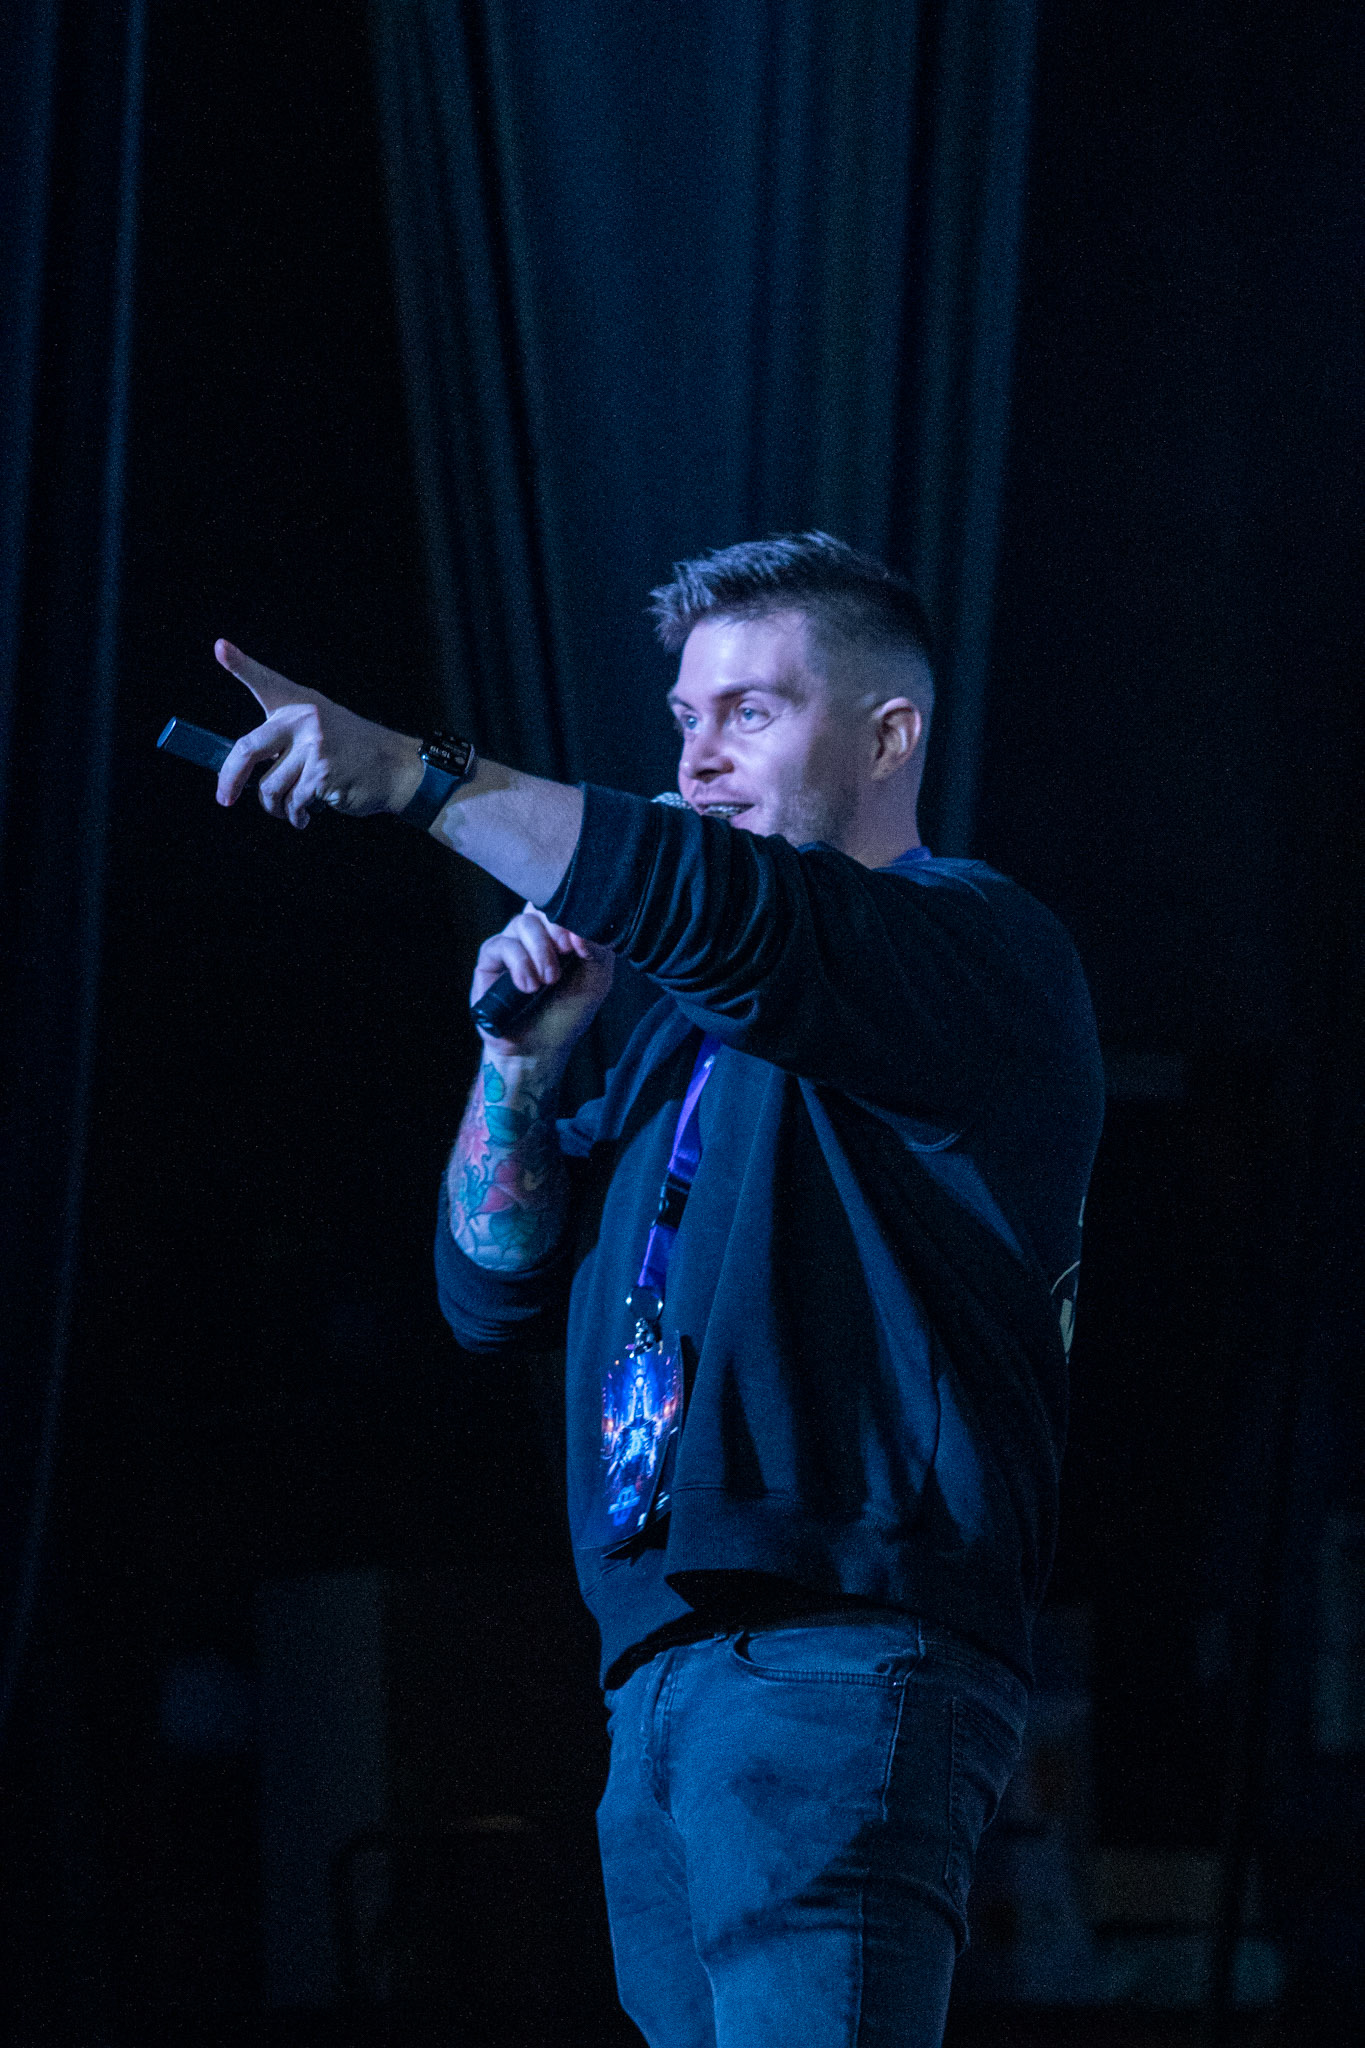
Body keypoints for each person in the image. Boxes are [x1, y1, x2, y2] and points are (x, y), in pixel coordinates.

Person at [213, 532, 1104, 2048]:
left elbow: (723, 908)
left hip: (839, 1641)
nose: (697, 759)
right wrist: (519, 1065)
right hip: (663, 1666)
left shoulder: (972, 950)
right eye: (685, 718)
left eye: (751, 711)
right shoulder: (674, 1042)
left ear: (889, 736)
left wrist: (421, 777)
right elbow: (491, 1291)